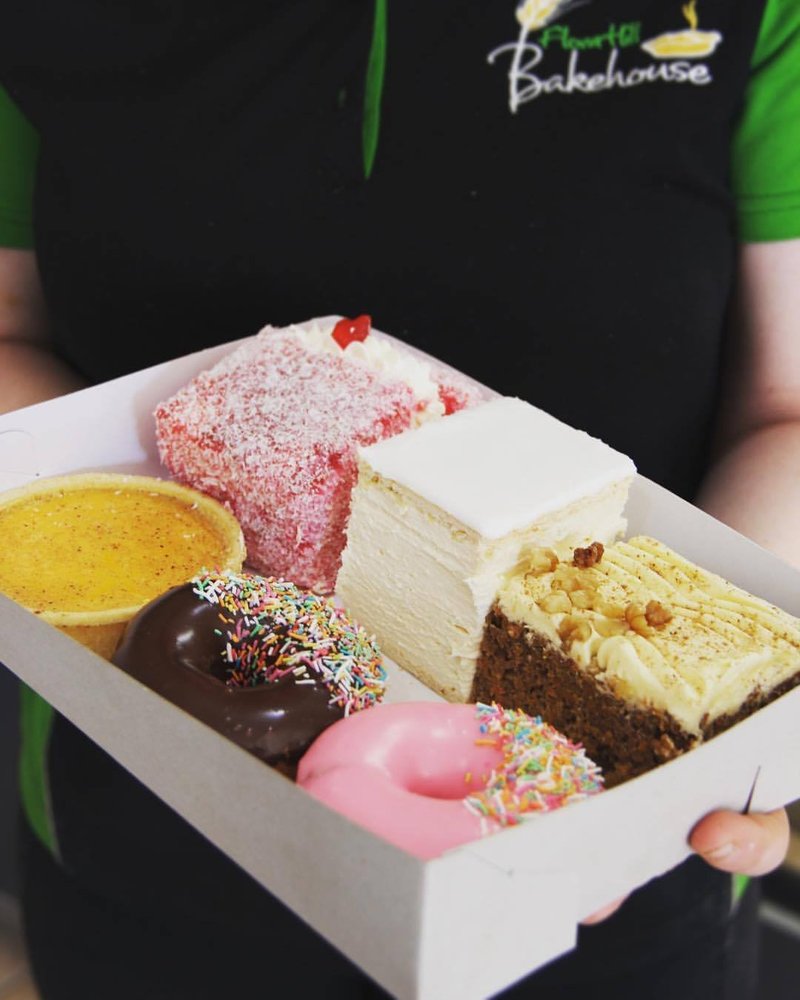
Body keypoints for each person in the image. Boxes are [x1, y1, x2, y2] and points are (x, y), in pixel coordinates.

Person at [0, 1, 798, 997]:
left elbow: (785, 406)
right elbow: (10, 327)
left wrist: (702, 713)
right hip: (139, 812)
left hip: (608, 893)